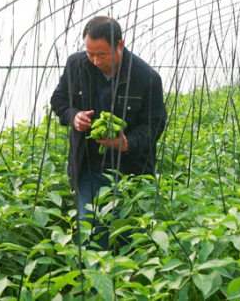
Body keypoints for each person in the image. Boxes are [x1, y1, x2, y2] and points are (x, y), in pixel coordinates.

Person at [50, 16, 167, 251]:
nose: (94, 61)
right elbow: (58, 100)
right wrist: (73, 116)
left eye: (101, 54)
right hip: (89, 165)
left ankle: (127, 283)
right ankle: (96, 284)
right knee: (93, 230)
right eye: (90, 53)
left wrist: (127, 142)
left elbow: (155, 124)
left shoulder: (147, 77)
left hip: (130, 170)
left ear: (119, 45)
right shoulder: (77, 65)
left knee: (129, 233)